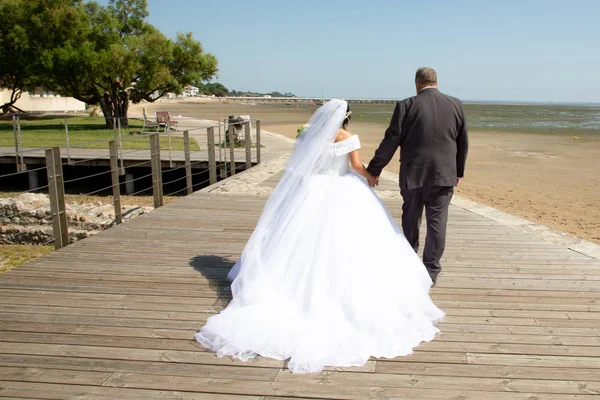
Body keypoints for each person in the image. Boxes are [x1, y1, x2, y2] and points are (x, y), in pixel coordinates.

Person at [195, 99, 444, 374]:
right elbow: (356, 166)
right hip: (342, 189)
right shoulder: (348, 137)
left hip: (311, 191)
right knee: (350, 244)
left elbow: (304, 166)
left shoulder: (309, 135)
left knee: (298, 241)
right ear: (346, 117)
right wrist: (371, 177)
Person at [368, 67, 469, 285]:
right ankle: (431, 271)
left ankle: (409, 263)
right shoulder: (455, 104)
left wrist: (374, 169)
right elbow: (462, 142)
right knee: (437, 223)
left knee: (411, 219)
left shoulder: (406, 105)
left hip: (413, 174)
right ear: (437, 83)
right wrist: (459, 171)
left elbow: (391, 140)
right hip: (444, 174)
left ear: (417, 84)